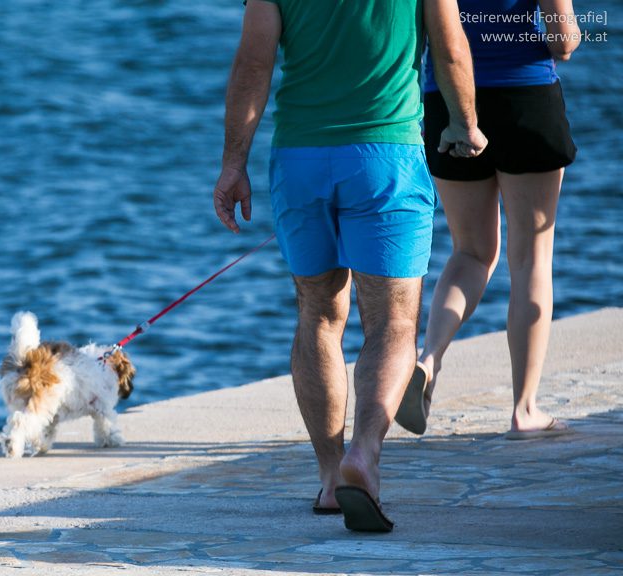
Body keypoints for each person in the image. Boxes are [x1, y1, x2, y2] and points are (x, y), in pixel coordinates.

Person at [213, 0, 486, 532]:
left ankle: (328, 478)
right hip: (385, 155)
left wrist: (232, 164)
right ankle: (364, 455)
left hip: (301, 158)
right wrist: (466, 124)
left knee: (318, 314)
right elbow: (452, 48)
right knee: (393, 322)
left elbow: (252, 63)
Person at [395, 0, 580, 440]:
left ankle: (429, 360)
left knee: (471, 251)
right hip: (525, 98)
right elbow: (564, 41)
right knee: (531, 257)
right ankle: (525, 409)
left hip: (449, 100)